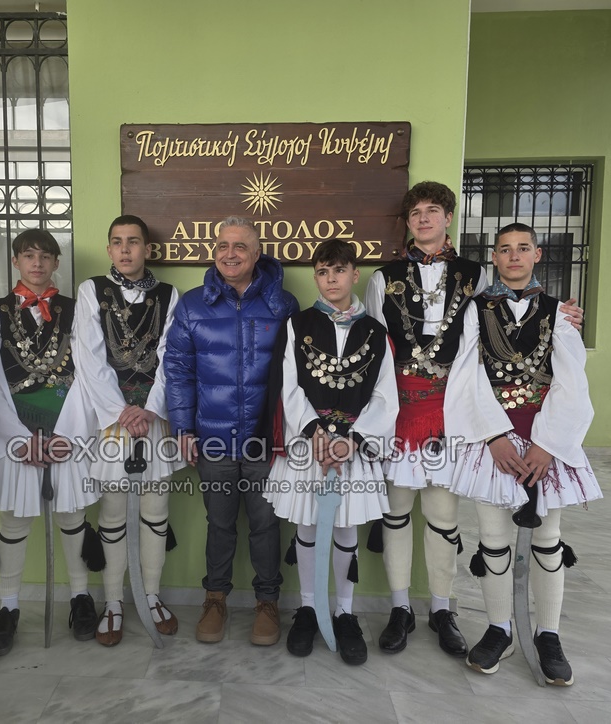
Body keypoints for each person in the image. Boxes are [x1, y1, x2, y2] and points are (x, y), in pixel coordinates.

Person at [445, 223, 601, 685]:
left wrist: (548, 444)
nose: (513, 256)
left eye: (523, 248)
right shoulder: (475, 311)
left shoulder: (559, 313)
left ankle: (548, 635)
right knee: (493, 538)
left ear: (537, 255)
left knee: (547, 538)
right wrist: (493, 435)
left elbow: (572, 381)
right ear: (494, 257)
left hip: (543, 439)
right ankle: (499, 629)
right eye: (505, 249)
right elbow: (467, 374)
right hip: (493, 437)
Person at [363, 181, 487, 659]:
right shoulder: (383, 277)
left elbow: (504, 322)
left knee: (443, 516)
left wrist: (561, 316)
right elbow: (374, 350)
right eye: (415, 212)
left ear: (448, 217)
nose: (423, 218)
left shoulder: (475, 275)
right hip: (399, 411)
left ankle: (441, 609)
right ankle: (400, 609)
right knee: (395, 513)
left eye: (432, 210)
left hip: (449, 412)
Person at [163, 216, 299, 645]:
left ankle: (267, 602)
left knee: (266, 524)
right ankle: (215, 599)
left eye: (240, 246)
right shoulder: (192, 305)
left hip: (264, 439)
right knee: (219, 524)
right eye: (222, 245)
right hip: (213, 439)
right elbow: (178, 371)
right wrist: (183, 427)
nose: (230, 253)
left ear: (257, 254)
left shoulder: (283, 305)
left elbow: (297, 376)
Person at [265, 239, 399, 665]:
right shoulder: (297, 324)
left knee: (344, 530)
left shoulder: (375, 332)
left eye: (339, 270)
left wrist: (352, 441)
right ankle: (308, 609)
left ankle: (344, 612)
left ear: (355, 274)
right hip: (310, 445)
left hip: (353, 448)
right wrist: (314, 433)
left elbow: (385, 396)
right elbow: (288, 386)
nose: (331, 279)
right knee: (307, 524)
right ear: (316, 277)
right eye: (322, 272)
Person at [0, 228, 103, 655]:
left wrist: (69, 435)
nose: (37, 263)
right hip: (16, 433)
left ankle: (80, 597)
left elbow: (90, 373)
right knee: (14, 521)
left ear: (56, 263)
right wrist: (16, 438)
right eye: (28, 255)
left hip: (67, 429)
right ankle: (7, 606)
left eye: (45, 256)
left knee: (73, 514)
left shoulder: (76, 309)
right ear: (15, 261)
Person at [72, 215, 183, 646]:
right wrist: (121, 412)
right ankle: (114, 601)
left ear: (147, 249)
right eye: (117, 242)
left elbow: (172, 356)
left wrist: (150, 410)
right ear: (109, 249)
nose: (125, 249)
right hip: (112, 420)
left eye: (133, 241)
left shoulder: (169, 295)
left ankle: (151, 595)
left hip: (153, 418)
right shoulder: (91, 290)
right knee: (113, 513)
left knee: (156, 511)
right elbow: (88, 355)